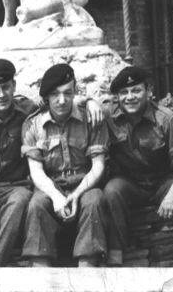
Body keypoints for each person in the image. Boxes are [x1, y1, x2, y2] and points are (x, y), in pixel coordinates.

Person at [0, 58, 103, 266]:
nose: (2, 94)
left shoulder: (27, 109)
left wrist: (90, 102)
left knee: (21, 198)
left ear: (14, 86)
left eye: (6, 87)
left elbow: (59, 98)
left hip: (13, 190)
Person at [103, 66, 173, 267]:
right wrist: (90, 102)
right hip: (130, 183)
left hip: (163, 181)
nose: (130, 97)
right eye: (124, 92)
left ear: (149, 91)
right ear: (117, 97)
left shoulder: (167, 118)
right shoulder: (109, 117)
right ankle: (115, 255)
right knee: (111, 190)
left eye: (136, 90)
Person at [21, 64, 109, 267]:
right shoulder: (32, 125)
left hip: (84, 182)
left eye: (68, 93)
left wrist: (76, 194)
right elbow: (36, 171)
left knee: (94, 200)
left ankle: (87, 267)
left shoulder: (91, 117)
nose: (62, 100)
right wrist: (57, 197)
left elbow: (98, 166)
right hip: (50, 184)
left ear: (75, 92)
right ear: (46, 98)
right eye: (55, 94)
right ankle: (41, 267)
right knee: (36, 205)